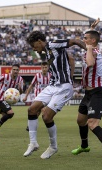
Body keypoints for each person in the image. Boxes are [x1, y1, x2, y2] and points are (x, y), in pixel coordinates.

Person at [23, 28, 90, 159]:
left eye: (33, 46)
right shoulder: (46, 53)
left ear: (39, 41)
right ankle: (33, 143)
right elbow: (70, 58)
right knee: (32, 109)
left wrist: (88, 51)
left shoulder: (53, 44)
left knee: (46, 116)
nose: (34, 49)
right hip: (52, 86)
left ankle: (53, 147)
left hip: (63, 87)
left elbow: (74, 41)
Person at [71, 30, 102, 160]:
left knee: (92, 124)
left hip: (97, 93)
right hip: (88, 93)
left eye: (86, 38)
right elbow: (90, 41)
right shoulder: (91, 49)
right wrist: (91, 30)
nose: (83, 40)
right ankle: (84, 146)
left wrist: (88, 47)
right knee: (81, 121)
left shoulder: (93, 52)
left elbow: (90, 63)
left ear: (92, 41)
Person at [0, 64, 23, 137]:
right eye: (14, 69)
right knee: (11, 113)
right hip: (0, 98)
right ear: (11, 70)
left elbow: (21, 92)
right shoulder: (5, 76)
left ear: (19, 71)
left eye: (17, 70)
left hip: (8, 100)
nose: (15, 71)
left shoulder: (20, 79)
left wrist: (20, 88)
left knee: (5, 116)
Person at [22, 61, 51, 131]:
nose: (44, 69)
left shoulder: (51, 76)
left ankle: (29, 126)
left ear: (48, 68)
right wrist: (26, 96)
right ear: (41, 68)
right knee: (43, 111)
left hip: (48, 97)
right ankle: (49, 127)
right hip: (38, 97)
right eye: (43, 67)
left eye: (45, 67)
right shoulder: (37, 76)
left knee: (37, 112)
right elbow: (31, 85)